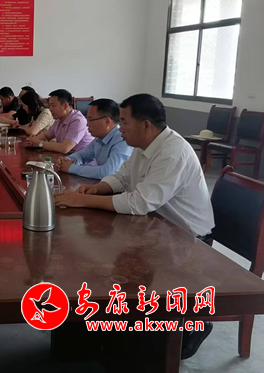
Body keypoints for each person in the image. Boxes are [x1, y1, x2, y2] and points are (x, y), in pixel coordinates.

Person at [54, 94, 215, 359]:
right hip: (155, 225)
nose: (120, 128)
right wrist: (98, 189)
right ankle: (95, 337)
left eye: (125, 122)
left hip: (188, 239)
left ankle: (185, 329)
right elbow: (122, 177)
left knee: (112, 270)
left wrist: (82, 200)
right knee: (95, 262)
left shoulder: (172, 153)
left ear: (146, 125)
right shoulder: (143, 145)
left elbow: (140, 202)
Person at [56, 99, 132, 179]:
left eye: (90, 119)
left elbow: (108, 172)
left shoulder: (122, 140)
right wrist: (67, 160)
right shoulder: (99, 138)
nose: (87, 124)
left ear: (107, 122)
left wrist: (71, 168)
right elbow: (82, 155)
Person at [25, 89, 93, 154]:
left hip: (82, 160)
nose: (50, 109)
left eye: (53, 105)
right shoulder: (59, 121)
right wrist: (32, 141)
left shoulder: (78, 121)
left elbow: (65, 148)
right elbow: (46, 135)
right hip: (67, 157)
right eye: (49, 105)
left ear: (65, 106)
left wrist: (40, 144)